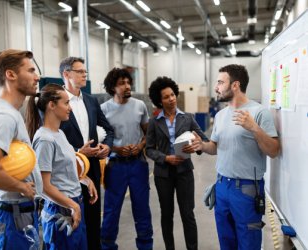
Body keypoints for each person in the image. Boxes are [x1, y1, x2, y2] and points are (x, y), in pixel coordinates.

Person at [186, 64, 280, 250]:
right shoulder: (221, 115)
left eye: (221, 82)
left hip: (246, 189)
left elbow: (274, 150)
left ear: (235, 85)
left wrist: (254, 128)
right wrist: (202, 145)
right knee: (226, 242)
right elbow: (215, 147)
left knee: (248, 243)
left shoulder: (259, 112)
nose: (216, 87)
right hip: (222, 186)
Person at [26, 83, 98, 249]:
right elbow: (43, 186)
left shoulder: (59, 134)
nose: (70, 108)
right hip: (61, 210)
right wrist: (72, 205)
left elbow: (64, 166)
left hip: (73, 205)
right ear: (51, 105)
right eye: (66, 103)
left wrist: (85, 179)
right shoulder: (45, 139)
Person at [0, 49, 43, 249]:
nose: (37, 77)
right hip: (11, 217)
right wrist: (22, 187)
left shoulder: (6, 111)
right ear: (11, 75)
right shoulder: (4, 115)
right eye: (31, 71)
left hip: (15, 214)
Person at [146, 76, 208, 250]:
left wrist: (196, 145)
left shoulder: (188, 118)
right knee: (167, 215)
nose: (171, 99)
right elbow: (149, 149)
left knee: (187, 214)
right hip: (163, 175)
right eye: (166, 97)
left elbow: (203, 141)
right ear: (159, 101)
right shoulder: (154, 122)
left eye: (172, 95)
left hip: (185, 173)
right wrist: (165, 158)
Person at [59, 57, 114, 250]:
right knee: (69, 226)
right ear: (66, 74)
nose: (85, 75)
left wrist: (107, 147)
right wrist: (77, 153)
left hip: (91, 173)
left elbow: (109, 129)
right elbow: (51, 138)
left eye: (85, 71)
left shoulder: (91, 101)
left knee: (92, 225)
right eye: (80, 71)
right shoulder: (56, 102)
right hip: (66, 174)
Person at [100, 68, 153, 250]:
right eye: (122, 83)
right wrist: (116, 148)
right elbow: (101, 140)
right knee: (111, 211)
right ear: (112, 87)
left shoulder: (139, 106)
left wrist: (140, 146)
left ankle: (145, 246)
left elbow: (148, 134)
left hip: (138, 164)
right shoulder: (104, 109)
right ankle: (107, 245)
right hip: (115, 166)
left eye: (128, 82)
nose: (127, 86)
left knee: (142, 210)